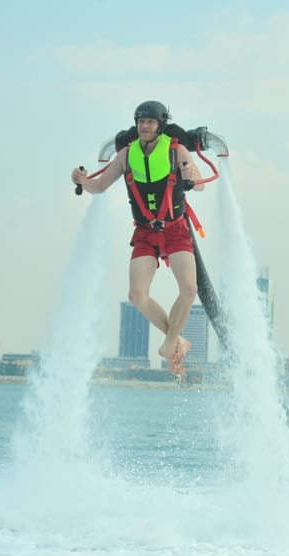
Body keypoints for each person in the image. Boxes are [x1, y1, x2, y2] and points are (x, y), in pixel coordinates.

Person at [71, 100, 204, 375]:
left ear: (160, 125)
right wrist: (81, 181)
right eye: (141, 122)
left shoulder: (175, 150)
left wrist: (191, 173)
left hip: (175, 229)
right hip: (145, 233)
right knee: (136, 295)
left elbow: (199, 184)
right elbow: (99, 186)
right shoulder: (126, 155)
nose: (145, 126)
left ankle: (170, 343)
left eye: (151, 122)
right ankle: (176, 342)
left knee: (189, 290)